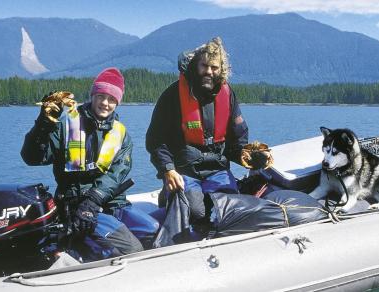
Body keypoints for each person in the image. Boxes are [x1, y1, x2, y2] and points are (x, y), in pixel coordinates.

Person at [21, 68, 157, 260]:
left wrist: (93, 200)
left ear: (118, 102)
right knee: (133, 248)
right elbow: (32, 158)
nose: (105, 103)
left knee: (153, 231)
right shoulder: (67, 126)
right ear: (92, 96)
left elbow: (116, 174)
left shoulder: (121, 134)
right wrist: (42, 126)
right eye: (101, 96)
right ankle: (73, 251)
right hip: (76, 207)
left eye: (111, 99)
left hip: (111, 204)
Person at [146, 37, 251, 241]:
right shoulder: (172, 95)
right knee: (196, 212)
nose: (209, 72)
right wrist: (167, 169)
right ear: (196, 65)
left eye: (214, 67)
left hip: (217, 169)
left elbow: (238, 141)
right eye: (204, 66)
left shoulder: (228, 95)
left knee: (230, 209)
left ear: (222, 69)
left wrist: (249, 156)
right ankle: (168, 200)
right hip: (184, 170)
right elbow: (156, 140)